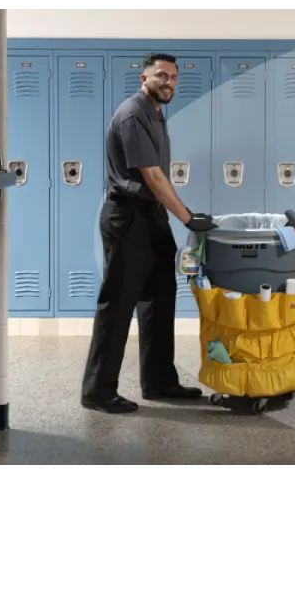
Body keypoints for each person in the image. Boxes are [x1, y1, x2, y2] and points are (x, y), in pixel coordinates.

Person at [81, 53, 218, 414]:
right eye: (161, 75)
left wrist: (177, 215)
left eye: (173, 77)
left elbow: (160, 179)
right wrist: (187, 218)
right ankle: (97, 390)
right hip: (128, 220)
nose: (168, 82)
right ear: (144, 77)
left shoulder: (157, 115)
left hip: (152, 218)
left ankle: (159, 381)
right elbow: (153, 176)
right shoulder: (132, 114)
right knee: (118, 304)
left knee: (159, 298)